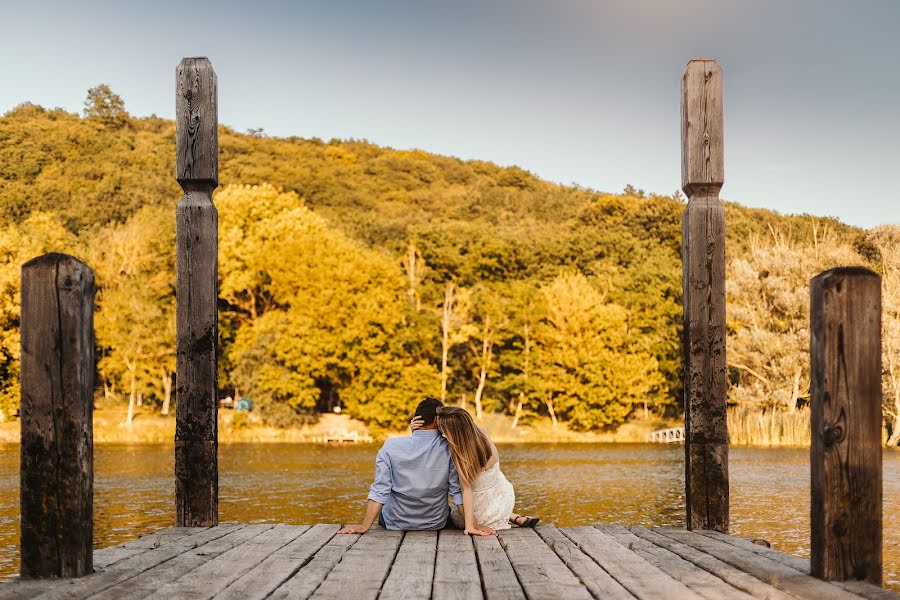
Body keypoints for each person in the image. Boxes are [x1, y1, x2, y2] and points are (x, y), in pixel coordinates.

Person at [338, 397, 463, 534]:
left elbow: (380, 490)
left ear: (416, 419)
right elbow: (456, 492)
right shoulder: (450, 448)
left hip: (395, 522)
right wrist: (472, 524)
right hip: (434, 523)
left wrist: (364, 526)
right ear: (437, 420)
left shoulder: (391, 446)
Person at [413, 406, 539, 532]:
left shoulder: (463, 457)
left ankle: (510, 516)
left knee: (453, 509)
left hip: (480, 517)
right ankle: (512, 516)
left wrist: (470, 526)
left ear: (451, 433)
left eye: (441, 429)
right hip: (502, 501)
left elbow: (465, 491)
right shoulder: (482, 434)